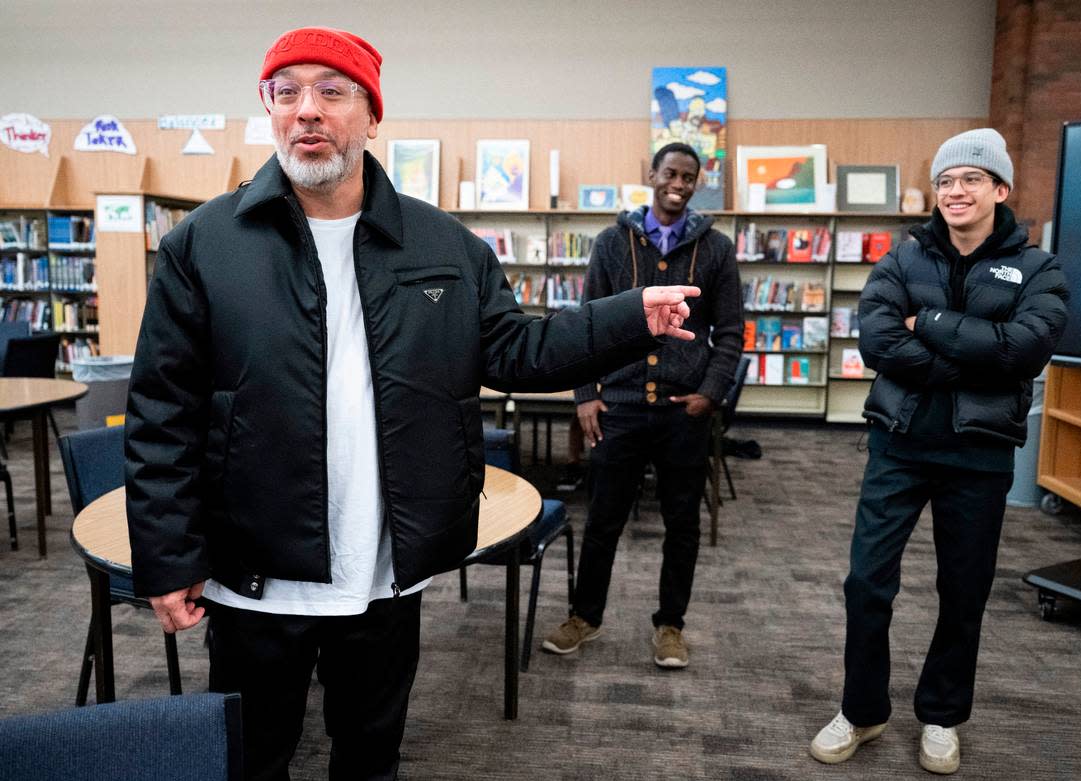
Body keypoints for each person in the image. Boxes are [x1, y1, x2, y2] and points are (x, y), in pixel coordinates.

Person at [124, 27, 702, 781]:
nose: (308, 111)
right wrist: (168, 557)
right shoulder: (203, 245)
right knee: (251, 759)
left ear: (371, 116)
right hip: (254, 576)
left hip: (385, 572)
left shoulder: (445, 247)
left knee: (371, 758)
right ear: (267, 109)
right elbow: (161, 411)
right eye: (287, 91)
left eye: (332, 92)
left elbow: (518, 350)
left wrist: (629, 317)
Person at [809, 128, 1068, 774]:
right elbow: (875, 341)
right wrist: (977, 354)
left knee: (964, 589)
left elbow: (1026, 349)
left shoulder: (1039, 269)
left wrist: (928, 325)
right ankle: (862, 708)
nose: (956, 190)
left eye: (972, 180)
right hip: (898, 441)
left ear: (1000, 190)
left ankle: (943, 716)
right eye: (947, 180)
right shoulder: (903, 258)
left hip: (979, 455)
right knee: (866, 581)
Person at [541, 142, 743, 669]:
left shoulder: (716, 249)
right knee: (603, 518)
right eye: (670, 173)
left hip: (684, 411)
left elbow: (731, 333)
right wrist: (585, 395)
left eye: (689, 177)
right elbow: (587, 323)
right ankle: (585, 616)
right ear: (651, 175)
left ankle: (671, 624)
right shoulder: (613, 242)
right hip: (622, 406)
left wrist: (711, 392)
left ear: (698, 183)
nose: (678, 183)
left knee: (683, 522)